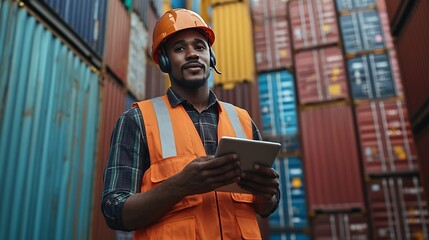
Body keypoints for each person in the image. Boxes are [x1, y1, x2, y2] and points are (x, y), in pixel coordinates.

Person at [101, 8, 280, 239]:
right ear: (164, 61)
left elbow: (266, 207)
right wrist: (180, 185)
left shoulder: (242, 120)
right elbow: (114, 211)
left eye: (199, 46)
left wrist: (267, 194)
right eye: (179, 48)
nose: (192, 54)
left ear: (210, 57)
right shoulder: (138, 120)